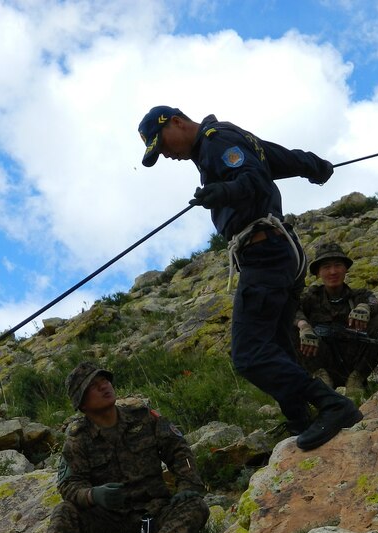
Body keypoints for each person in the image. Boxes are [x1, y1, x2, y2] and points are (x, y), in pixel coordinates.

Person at [138, 105, 361, 451]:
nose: (166, 154)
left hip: (264, 253)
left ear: (177, 123)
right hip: (281, 253)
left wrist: (222, 193)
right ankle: (302, 421)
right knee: (277, 346)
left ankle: (333, 406)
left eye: (162, 144)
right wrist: (312, 165)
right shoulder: (230, 136)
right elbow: (272, 159)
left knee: (249, 355)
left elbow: (254, 178)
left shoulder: (215, 142)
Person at [32, 361, 209, 533]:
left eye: (104, 380)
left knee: (196, 505)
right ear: (82, 403)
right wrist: (93, 495)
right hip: (111, 524)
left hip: (155, 516)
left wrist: (186, 486)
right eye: (93, 385)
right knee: (63, 512)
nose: (104, 386)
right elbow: (68, 485)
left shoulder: (144, 418)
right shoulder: (78, 439)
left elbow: (179, 451)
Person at [295, 243, 378, 395]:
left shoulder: (359, 295)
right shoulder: (310, 298)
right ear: (318, 273)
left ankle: (357, 379)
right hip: (323, 361)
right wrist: (304, 326)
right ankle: (320, 379)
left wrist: (365, 308)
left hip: (353, 362)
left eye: (338, 265)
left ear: (345, 269)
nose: (333, 272)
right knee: (292, 327)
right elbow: (292, 311)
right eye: (326, 267)